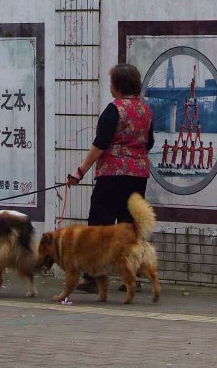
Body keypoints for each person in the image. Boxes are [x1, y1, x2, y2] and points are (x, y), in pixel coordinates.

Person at [66, 62, 154, 292]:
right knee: (129, 228)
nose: (109, 87)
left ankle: (94, 277)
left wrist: (80, 171)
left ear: (118, 85)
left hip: (112, 176)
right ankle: (132, 277)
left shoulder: (114, 109)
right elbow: (150, 143)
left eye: (111, 83)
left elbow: (100, 144)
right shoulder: (146, 110)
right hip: (138, 176)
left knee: (99, 226)